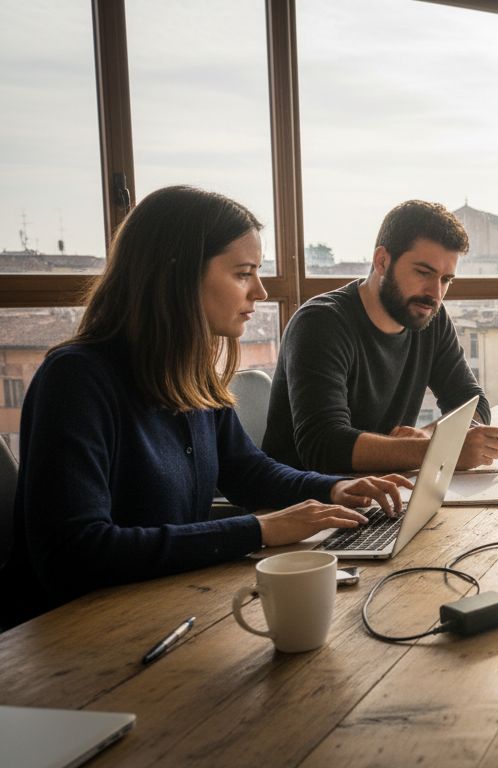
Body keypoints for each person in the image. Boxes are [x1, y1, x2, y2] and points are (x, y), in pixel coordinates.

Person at [0, 186, 410, 629]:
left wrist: (332, 489)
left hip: (161, 611)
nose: (261, 291)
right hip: (69, 639)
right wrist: (260, 530)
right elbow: (75, 553)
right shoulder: (75, 380)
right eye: (242, 273)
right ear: (177, 275)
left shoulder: (190, 376)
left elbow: (248, 471)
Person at [263, 200, 498, 474]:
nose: (435, 293)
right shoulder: (320, 323)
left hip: (383, 494)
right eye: (424, 273)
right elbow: (324, 446)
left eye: (446, 279)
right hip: (307, 504)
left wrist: (427, 435)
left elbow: (472, 402)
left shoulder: (429, 317)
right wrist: (441, 450)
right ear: (382, 261)